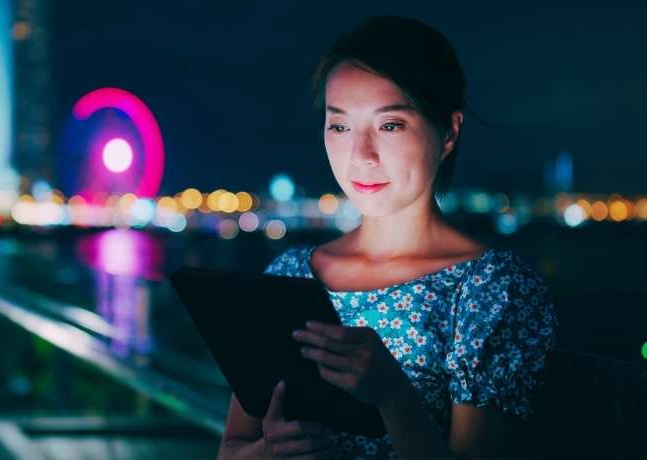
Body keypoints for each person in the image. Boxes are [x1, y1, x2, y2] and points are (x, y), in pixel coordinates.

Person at [217, 16, 558, 460]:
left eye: (390, 125)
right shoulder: (288, 275)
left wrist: (393, 396)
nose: (360, 155)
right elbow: (231, 450)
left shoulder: (491, 289)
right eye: (339, 126)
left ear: (449, 132)